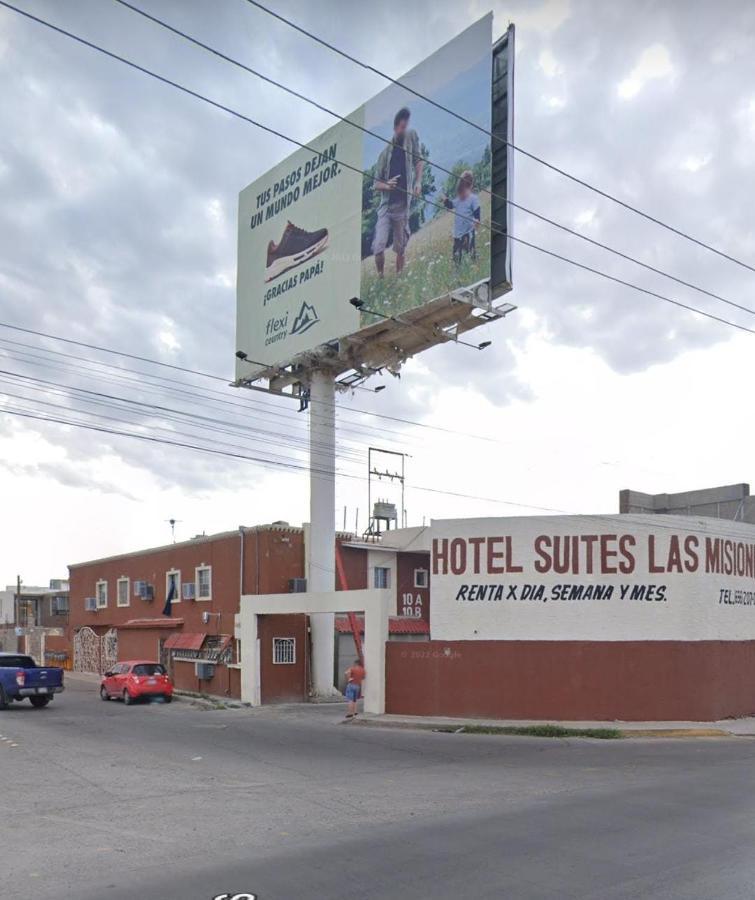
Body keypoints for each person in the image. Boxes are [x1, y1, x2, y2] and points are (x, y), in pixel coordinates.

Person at [372, 107, 424, 277]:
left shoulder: (411, 137)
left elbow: (418, 161)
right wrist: (387, 185)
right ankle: (380, 275)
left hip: (403, 205)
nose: (405, 130)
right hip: (386, 208)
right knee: (379, 246)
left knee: (401, 247)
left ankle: (400, 277)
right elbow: (375, 183)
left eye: (406, 125)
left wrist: (418, 182)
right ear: (395, 128)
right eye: (402, 127)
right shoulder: (385, 153)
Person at [441, 169, 480, 267]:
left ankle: (475, 265)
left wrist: (476, 221)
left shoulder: (473, 199)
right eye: (460, 190)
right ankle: (457, 273)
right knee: (456, 256)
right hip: (457, 234)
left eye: (464, 190)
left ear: (470, 187)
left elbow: (477, 213)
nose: (462, 193)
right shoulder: (458, 200)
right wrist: (445, 200)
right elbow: (450, 205)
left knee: (471, 253)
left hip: (468, 232)